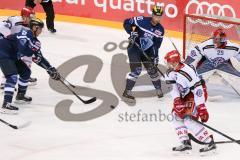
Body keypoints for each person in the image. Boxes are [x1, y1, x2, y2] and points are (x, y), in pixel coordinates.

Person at [0, 18, 60, 114]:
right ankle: (6, 104)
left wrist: (49, 68)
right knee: (12, 76)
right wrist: (32, 51)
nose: (41, 31)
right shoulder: (25, 34)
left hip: (12, 55)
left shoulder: (34, 40)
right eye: (40, 29)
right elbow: (23, 49)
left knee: (26, 72)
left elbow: (38, 57)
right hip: (3, 52)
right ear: (34, 28)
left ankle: (20, 96)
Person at [164, 50, 216, 153]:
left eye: (169, 62)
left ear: (175, 62)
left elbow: (198, 90)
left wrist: (201, 107)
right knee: (176, 115)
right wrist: (177, 100)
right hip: (186, 94)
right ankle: (185, 142)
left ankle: (209, 142)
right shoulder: (170, 72)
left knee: (189, 119)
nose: (167, 64)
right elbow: (173, 88)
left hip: (197, 93)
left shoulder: (187, 72)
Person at [122, 5, 165, 103]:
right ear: (152, 14)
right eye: (155, 15)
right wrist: (131, 32)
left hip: (147, 51)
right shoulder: (141, 20)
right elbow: (127, 22)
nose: (157, 18)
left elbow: (156, 45)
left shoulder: (161, 30)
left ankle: (158, 89)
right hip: (134, 48)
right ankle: (127, 92)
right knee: (136, 70)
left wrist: (155, 56)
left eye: (159, 16)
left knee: (152, 69)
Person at [185, 28, 240, 95]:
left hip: (224, 64)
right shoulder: (206, 44)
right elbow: (194, 52)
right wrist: (186, 63)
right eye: (214, 39)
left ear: (223, 41)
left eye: (217, 40)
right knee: (194, 78)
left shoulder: (232, 47)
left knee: (237, 79)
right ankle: (187, 90)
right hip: (208, 63)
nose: (214, 41)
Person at [0, 7, 37, 89]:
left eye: (33, 17)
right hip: (7, 43)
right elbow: (1, 26)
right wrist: (8, 35)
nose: (32, 19)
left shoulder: (31, 25)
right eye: (30, 17)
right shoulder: (14, 20)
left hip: (16, 43)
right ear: (23, 17)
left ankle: (23, 76)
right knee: (9, 60)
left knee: (28, 56)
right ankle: (5, 81)